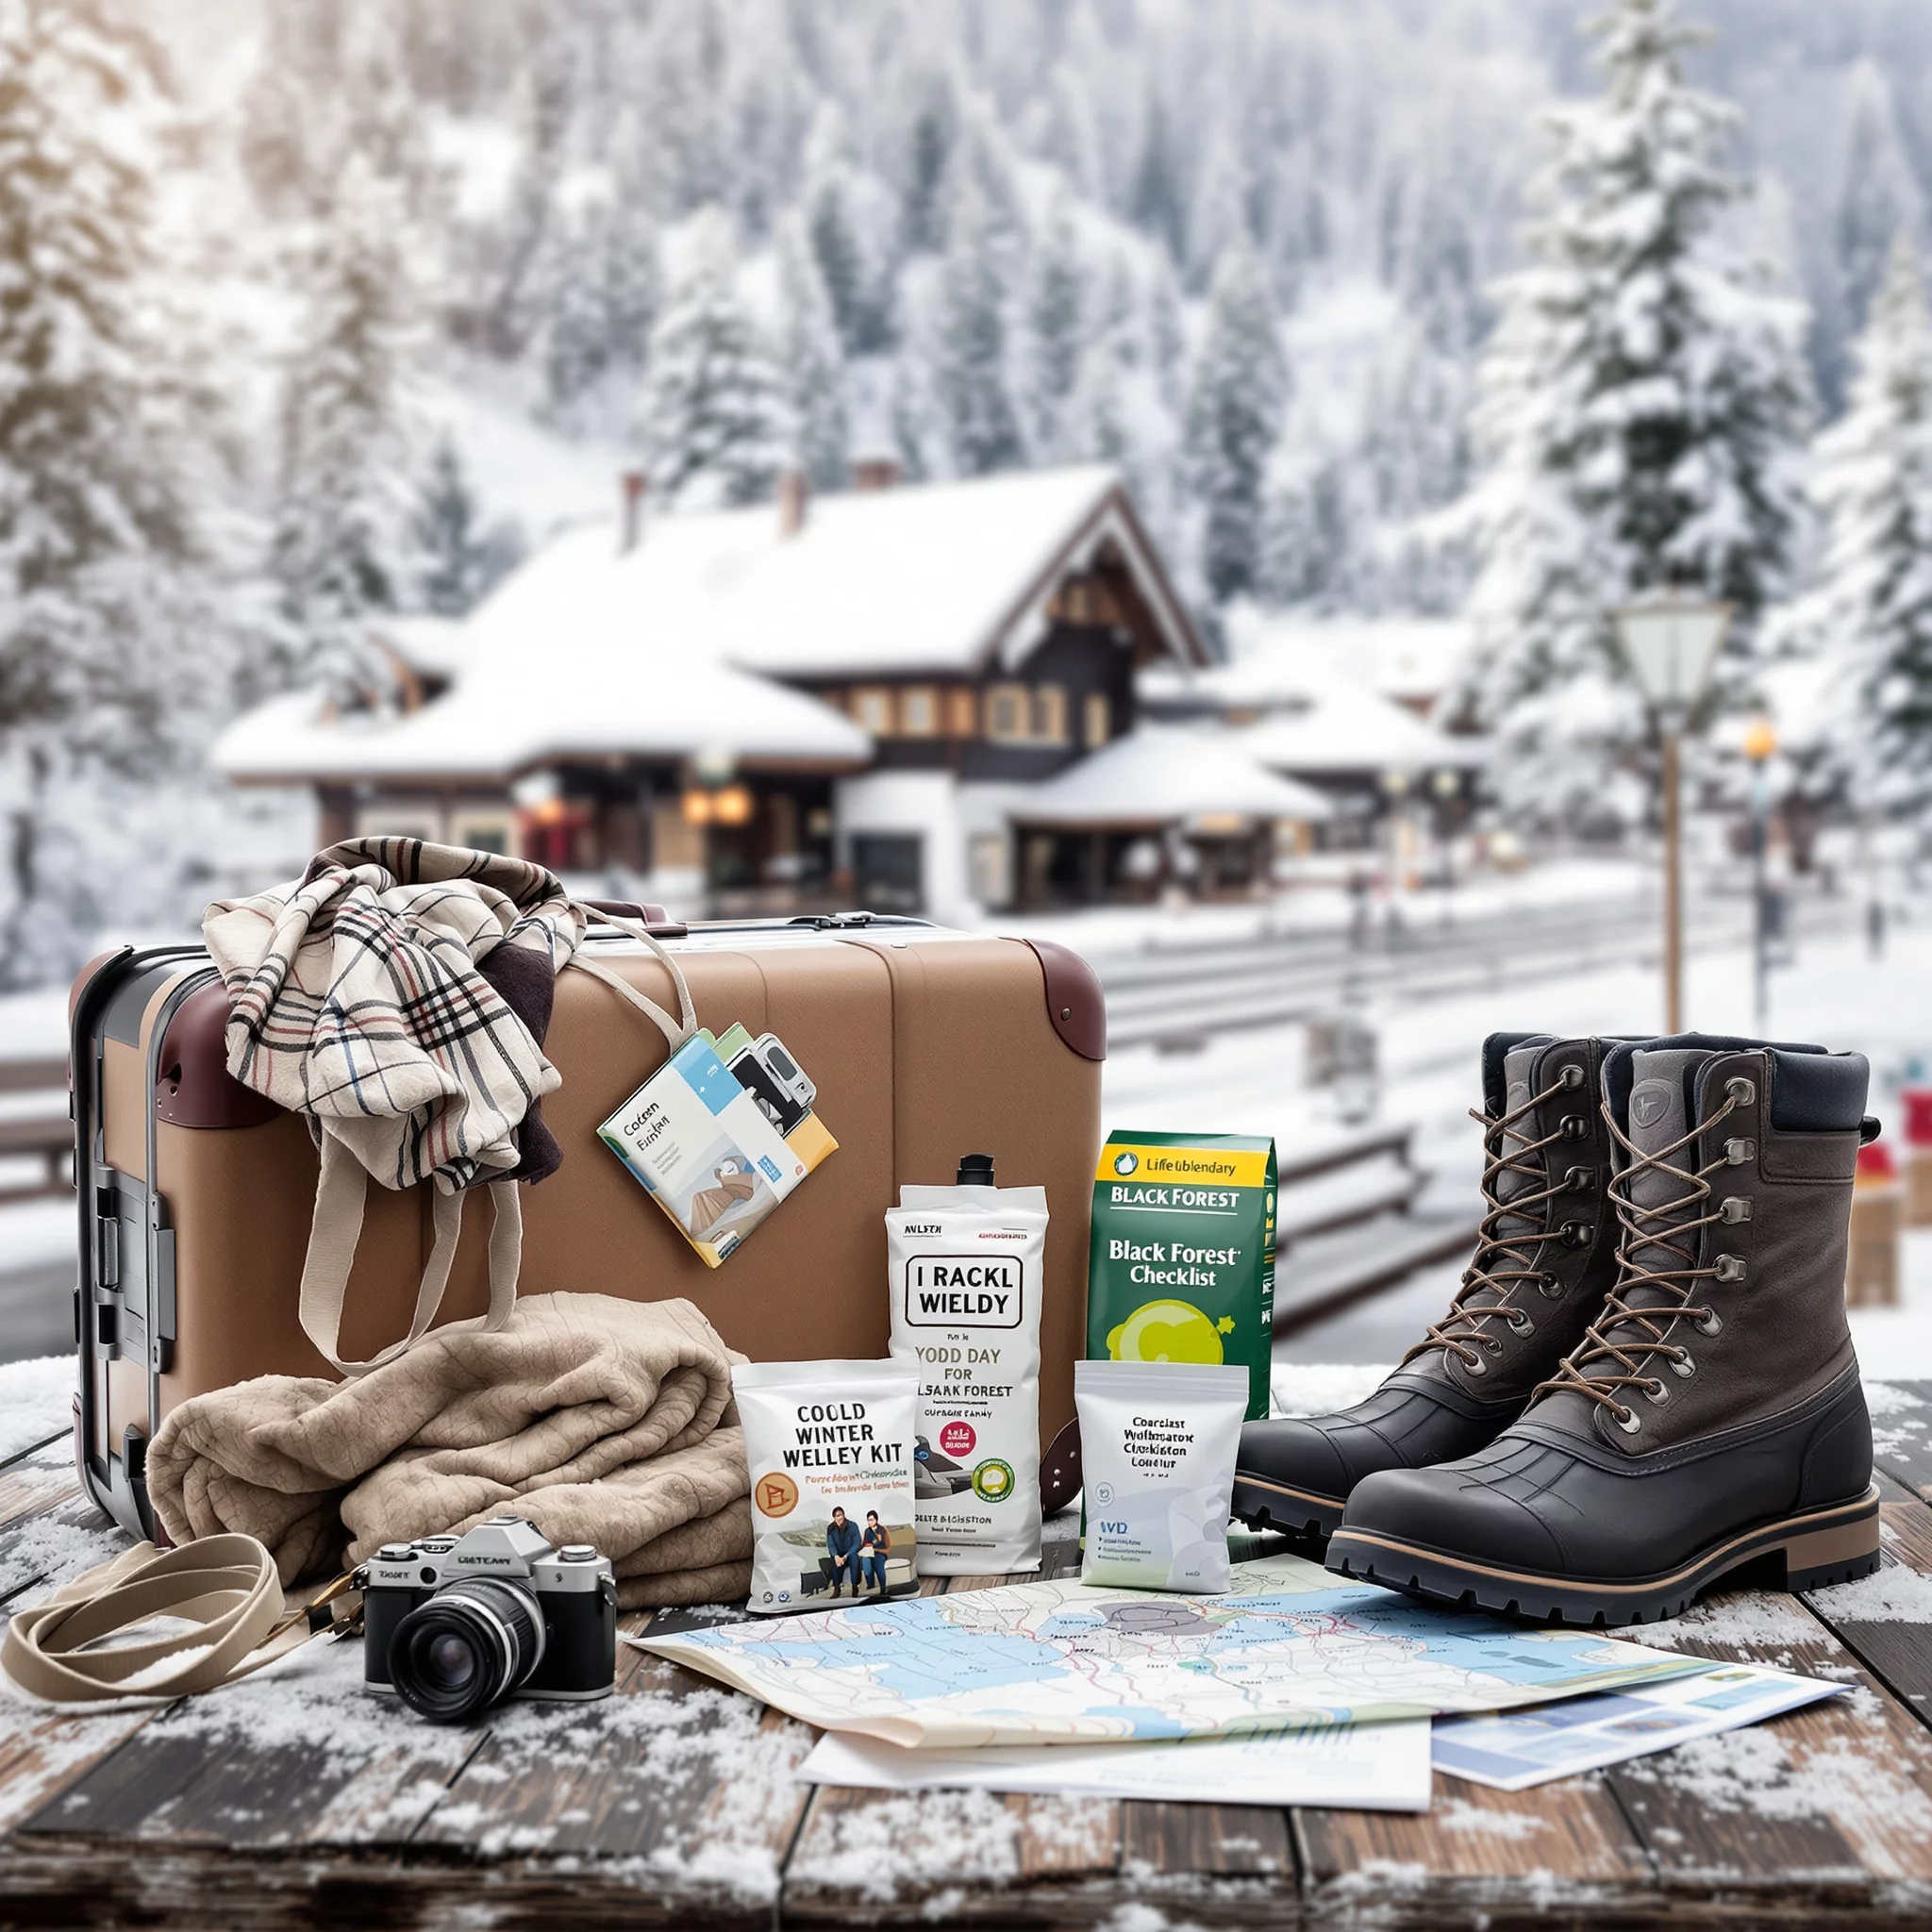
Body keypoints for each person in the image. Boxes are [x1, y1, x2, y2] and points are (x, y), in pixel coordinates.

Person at [824, 1507, 861, 1597]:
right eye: (836, 1516)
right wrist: (836, 1556)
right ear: (834, 1518)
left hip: (850, 1553)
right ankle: (837, 1588)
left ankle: (855, 1587)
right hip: (839, 1554)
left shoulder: (852, 1526)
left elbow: (857, 1542)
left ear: (844, 1515)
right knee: (833, 1561)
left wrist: (846, 1555)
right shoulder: (831, 1528)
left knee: (855, 1559)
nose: (839, 1518)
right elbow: (831, 1544)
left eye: (840, 1515)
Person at [859, 1511, 891, 1592]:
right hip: (868, 1553)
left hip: (880, 1553)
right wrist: (864, 1548)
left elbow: (887, 1548)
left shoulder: (882, 1530)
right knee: (865, 1562)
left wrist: (875, 1549)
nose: (869, 1522)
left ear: (876, 1520)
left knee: (878, 1564)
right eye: (868, 1520)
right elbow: (864, 1544)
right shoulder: (867, 1531)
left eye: (871, 1520)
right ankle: (870, 1585)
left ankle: (883, 1588)